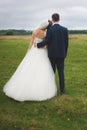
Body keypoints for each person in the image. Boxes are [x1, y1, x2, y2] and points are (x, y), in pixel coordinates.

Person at [3, 21, 57, 101]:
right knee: (42, 69)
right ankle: (40, 87)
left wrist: (29, 50)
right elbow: (45, 44)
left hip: (33, 51)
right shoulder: (45, 33)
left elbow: (31, 42)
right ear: (46, 27)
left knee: (27, 67)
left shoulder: (34, 31)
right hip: (42, 51)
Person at [36, 13, 68, 95]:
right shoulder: (65, 29)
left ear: (52, 19)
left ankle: (50, 90)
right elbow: (66, 43)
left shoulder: (50, 30)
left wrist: (38, 45)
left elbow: (47, 41)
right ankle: (62, 91)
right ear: (59, 19)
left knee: (51, 72)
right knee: (61, 72)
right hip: (61, 54)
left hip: (52, 54)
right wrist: (65, 53)